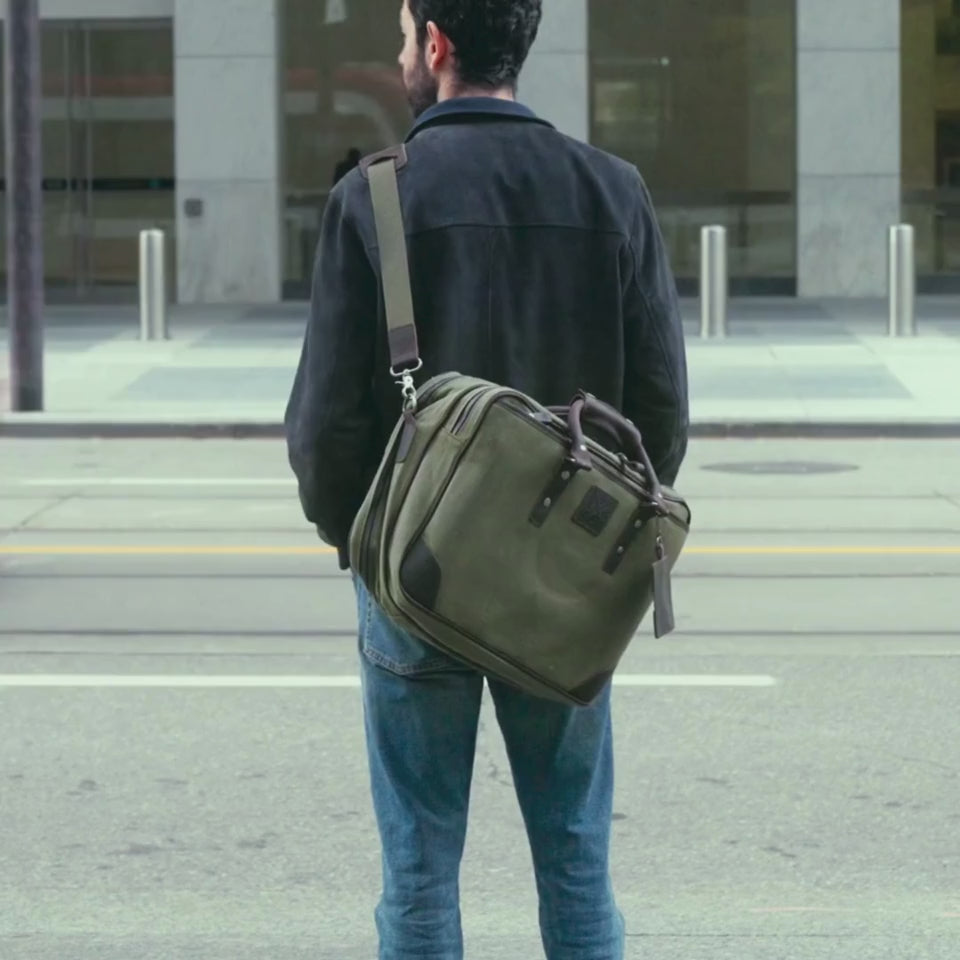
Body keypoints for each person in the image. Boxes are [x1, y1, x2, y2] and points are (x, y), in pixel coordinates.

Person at [284, 1, 689, 957]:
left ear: (436, 45)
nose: (400, 52)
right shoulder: (613, 190)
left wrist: (364, 547)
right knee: (577, 867)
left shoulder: (375, 198)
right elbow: (660, 417)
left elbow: (325, 433)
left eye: (402, 34)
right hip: (561, 590)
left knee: (420, 877)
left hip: (415, 579)